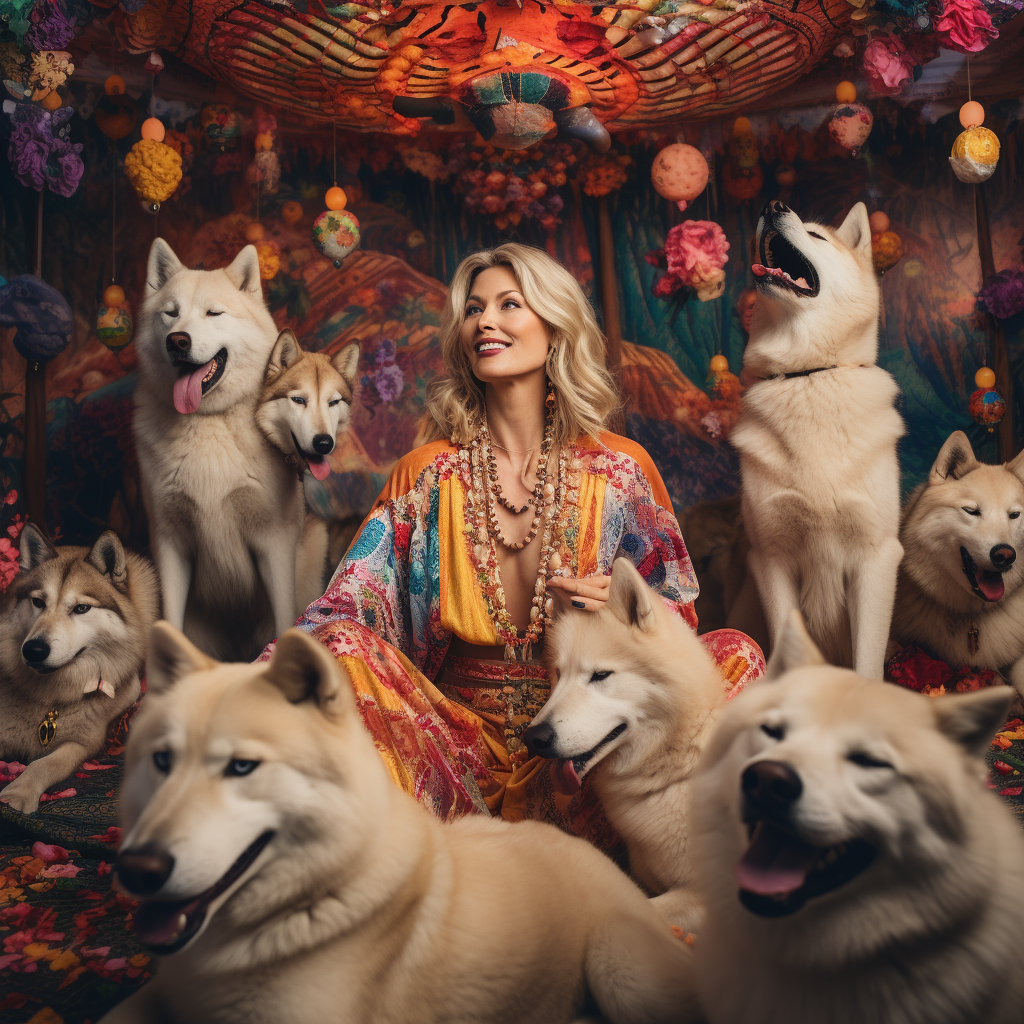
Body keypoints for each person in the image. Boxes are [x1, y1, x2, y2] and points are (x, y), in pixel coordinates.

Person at [282, 242, 763, 845]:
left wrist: (631, 616)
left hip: (586, 761)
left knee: (734, 656)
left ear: (554, 326)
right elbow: (344, 617)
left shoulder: (621, 471)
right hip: (446, 763)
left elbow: (680, 630)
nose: (485, 320)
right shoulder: (427, 474)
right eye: (474, 309)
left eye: (510, 304)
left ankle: (657, 858)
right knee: (340, 649)